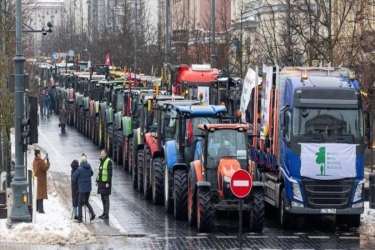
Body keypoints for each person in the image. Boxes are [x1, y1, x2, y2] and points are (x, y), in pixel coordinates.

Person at [72, 155, 95, 223]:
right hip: (88, 188)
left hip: (82, 189)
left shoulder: (79, 169)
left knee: (79, 203)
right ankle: (92, 213)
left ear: (81, 161)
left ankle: (80, 218)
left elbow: (73, 177)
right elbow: (92, 173)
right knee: (86, 202)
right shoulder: (89, 166)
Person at [96, 149, 113, 220]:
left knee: (106, 199)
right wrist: (97, 180)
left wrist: (108, 182)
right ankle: (104, 212)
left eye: (102, 154)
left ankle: (107, 214)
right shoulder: (101, 161)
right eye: (101, 154)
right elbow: (99, 172)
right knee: (102, 198)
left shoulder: (108, 161)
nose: (101, 155)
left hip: (106, 183)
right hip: (101, 182)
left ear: (105, 154)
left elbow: (110, 173)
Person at [32, 149, 50, 213]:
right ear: (38, 154)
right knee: (40, 195)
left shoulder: (35, 161)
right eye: (40, 153)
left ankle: (36, 208)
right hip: (41, 180)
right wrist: (47, 162)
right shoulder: (40, 162)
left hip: (37, 179)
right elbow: (45, 168)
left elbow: (40, 166)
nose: (41, 154)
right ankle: (41, 210)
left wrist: (43, 160)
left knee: (37, 194)